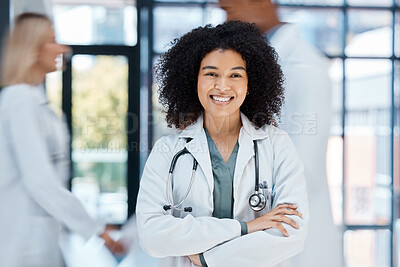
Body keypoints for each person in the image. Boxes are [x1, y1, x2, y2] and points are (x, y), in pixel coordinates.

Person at [136, 21, 308, 267]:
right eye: (211, 73)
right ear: (193, 80)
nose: (223, 86)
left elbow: (291, 232)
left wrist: (208, 258)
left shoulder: (277, 145)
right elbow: (151, 236)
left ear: (251, 83)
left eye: (235, 75)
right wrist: (246, 227)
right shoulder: (167, 151)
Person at [218, 1, 343, 267]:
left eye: (230, 9)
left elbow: (302, 170)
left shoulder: (305, 68)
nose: (227, 21)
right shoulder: (253, 66)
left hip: (295, 248)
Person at [0, 12, 123, 267]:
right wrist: (96, 229)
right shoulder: (20, 100)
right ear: (33, 49)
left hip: (42, 242)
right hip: (23, 245)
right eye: (52, 40)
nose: (63, 49)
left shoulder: (35, 100)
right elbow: (39, 179)